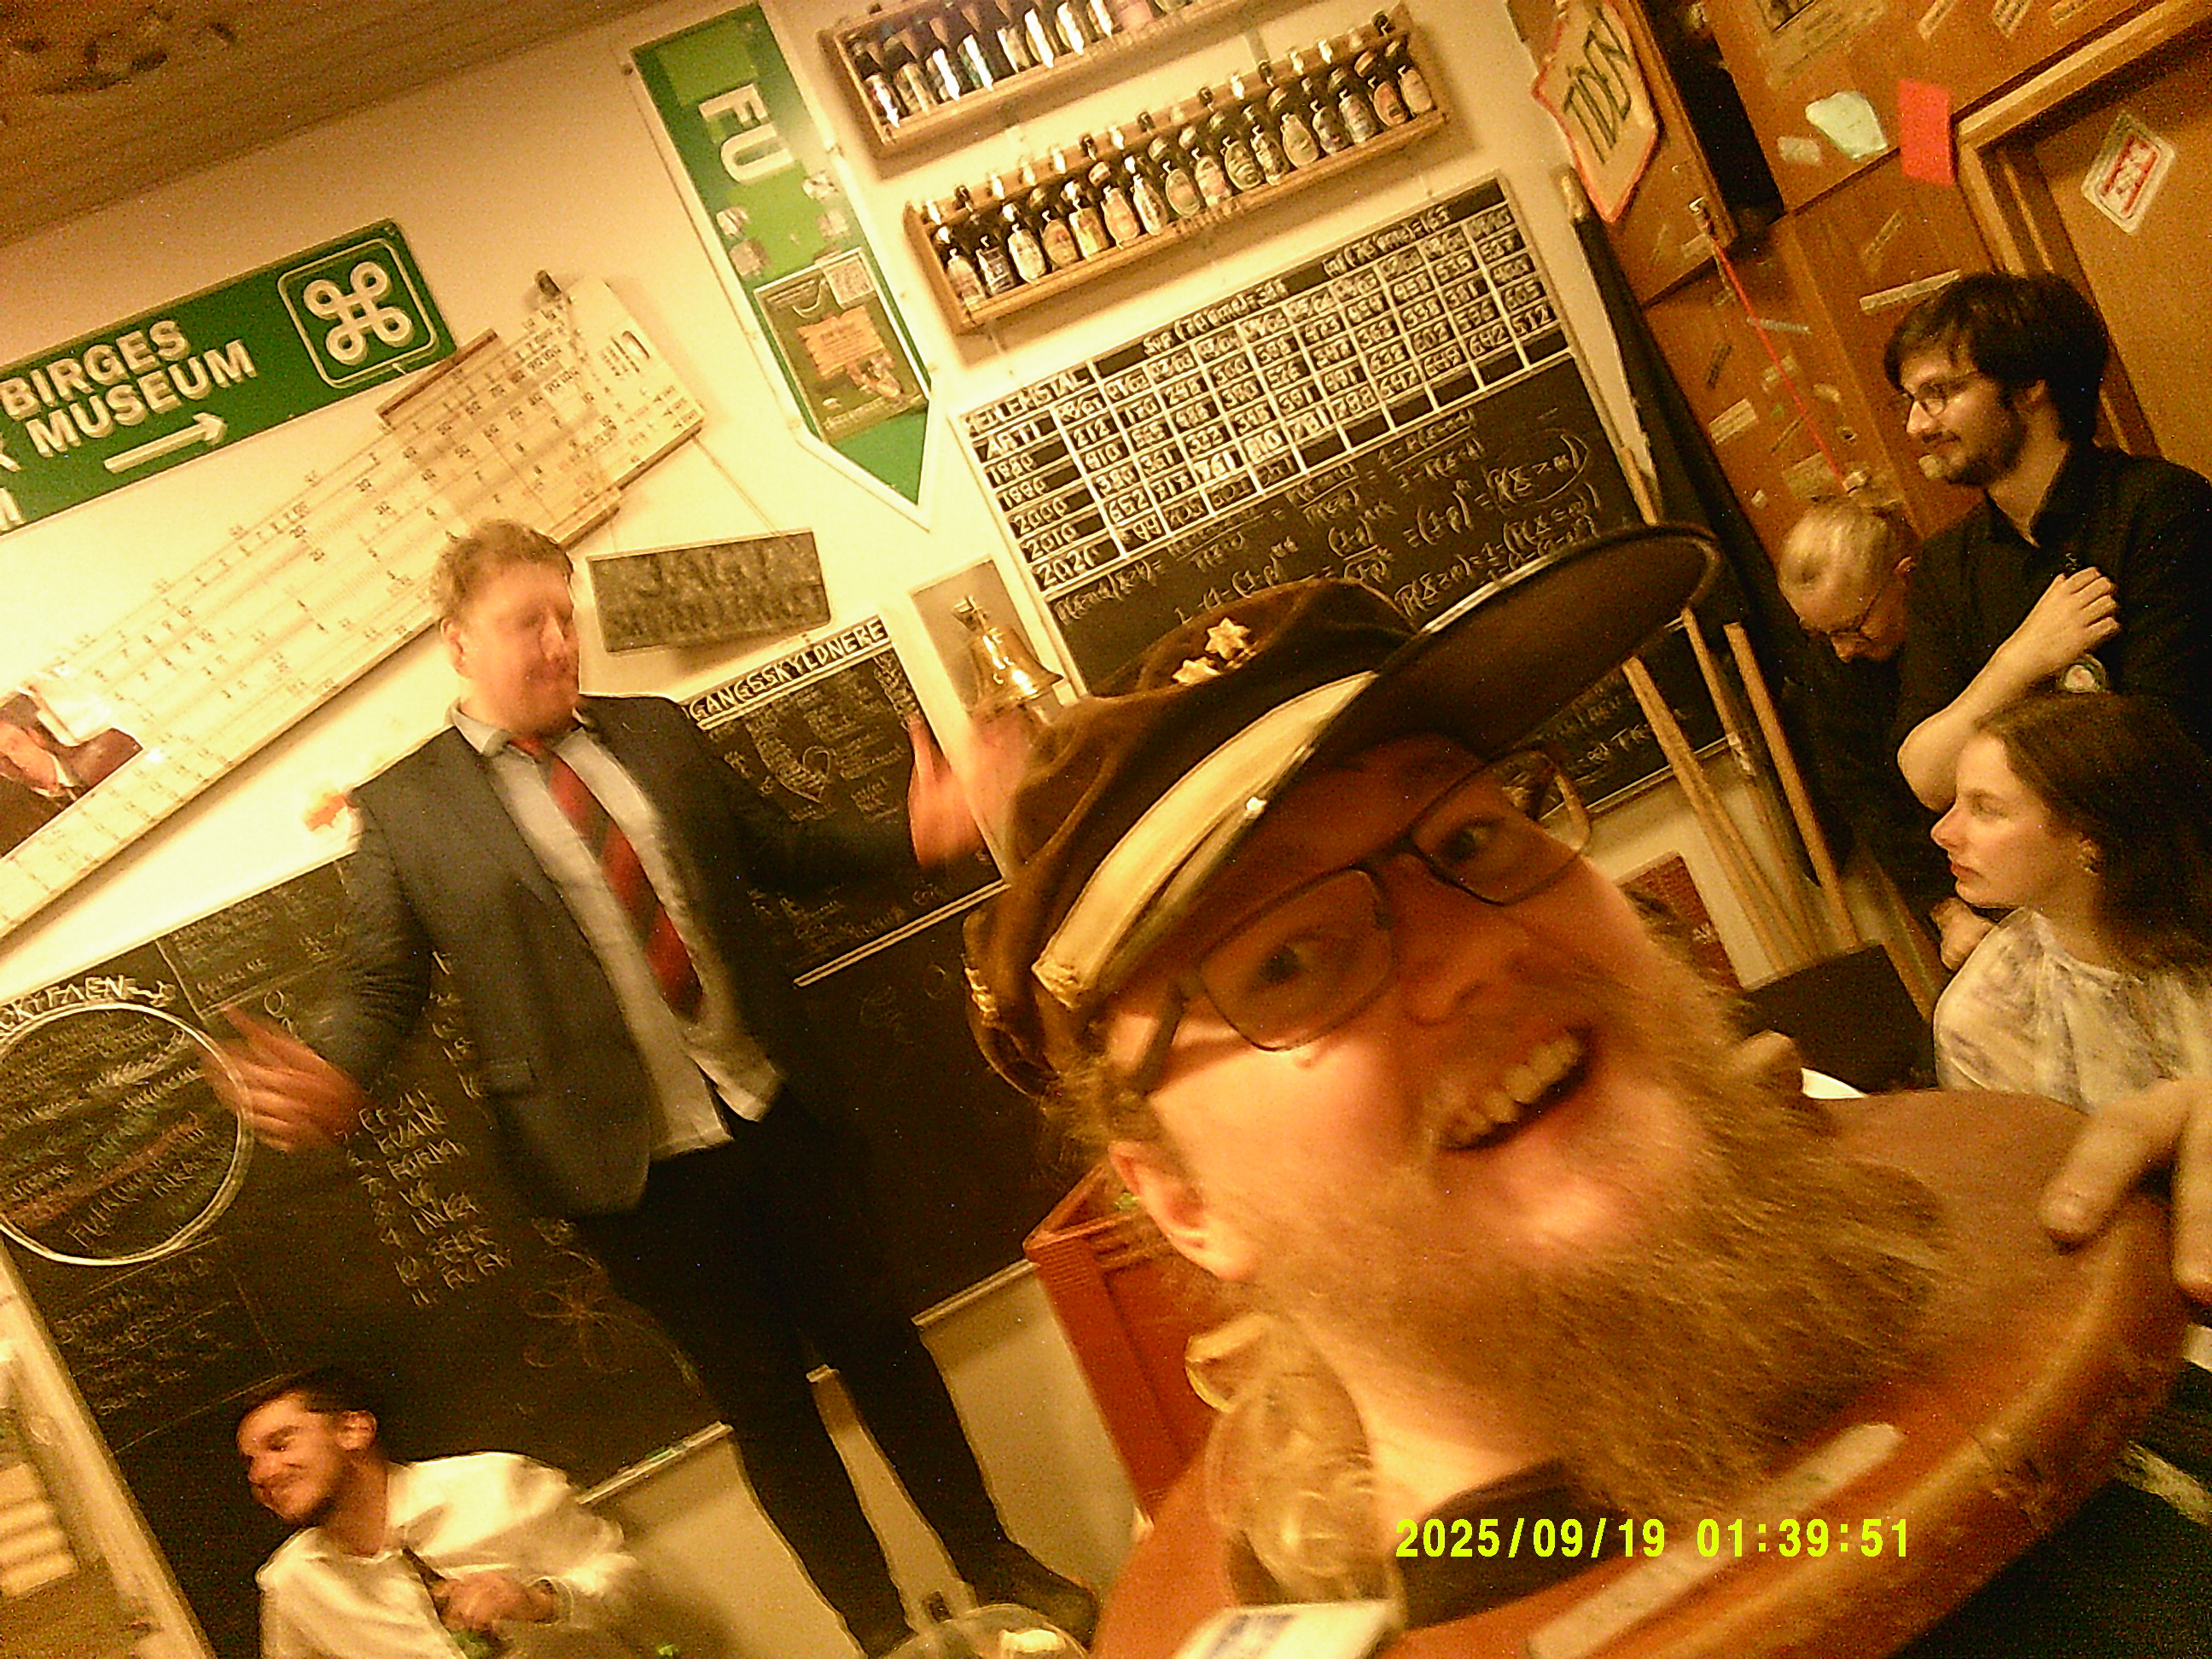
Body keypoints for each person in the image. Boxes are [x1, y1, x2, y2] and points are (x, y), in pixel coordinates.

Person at [963, 534, 2212, 1657]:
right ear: (1184, 1201)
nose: (1477, 950)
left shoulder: (2019, 1260)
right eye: (1287, 960)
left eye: (1468, 837)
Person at [210, 522, 1093, 1657]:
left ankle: (996, 1564)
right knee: (766, 1408)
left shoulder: (657, 732)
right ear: (458, 642)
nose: (558, 642)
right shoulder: (405, 809)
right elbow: (384, 982)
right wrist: (338, 1069)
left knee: (884, 1347)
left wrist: (912, 840)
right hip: (633, 1174)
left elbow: (783, 851)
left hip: (771, 1104)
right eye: (526, 622)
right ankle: (877, 1632)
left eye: (564, 615)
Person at [1883, 271, 2212, 809]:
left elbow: (2164, 752)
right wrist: (2019, 662)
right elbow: (1928, 776)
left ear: (2030, 384)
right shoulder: (1946, 563)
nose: (1917, 426)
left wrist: (1981, 736)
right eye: (1910, 401)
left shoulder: (2162, 508)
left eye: (1939, 393)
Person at [237, 1365, 647, 1659]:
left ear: (353, 1431)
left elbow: (631, 1585)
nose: (261, 1474)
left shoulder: (496, 1484)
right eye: (250, 1463)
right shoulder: (293, 1584)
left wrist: (540, 1601)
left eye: (280, 1445)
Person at [1933, 693, 2212, 1114]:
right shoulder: (1983, 1017)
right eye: (1955, 802)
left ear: (2090, 837)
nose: (1942, 832)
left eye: (1986, 809)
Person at [1776, 492, 1990, 968]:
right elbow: (1869, 804)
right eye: (1822, 633)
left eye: (1853, 627)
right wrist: (1947, 912)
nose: (1842, 651)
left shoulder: (1968, 597)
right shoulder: (1832, 672)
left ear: (1905, 577)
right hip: (1953, 879)